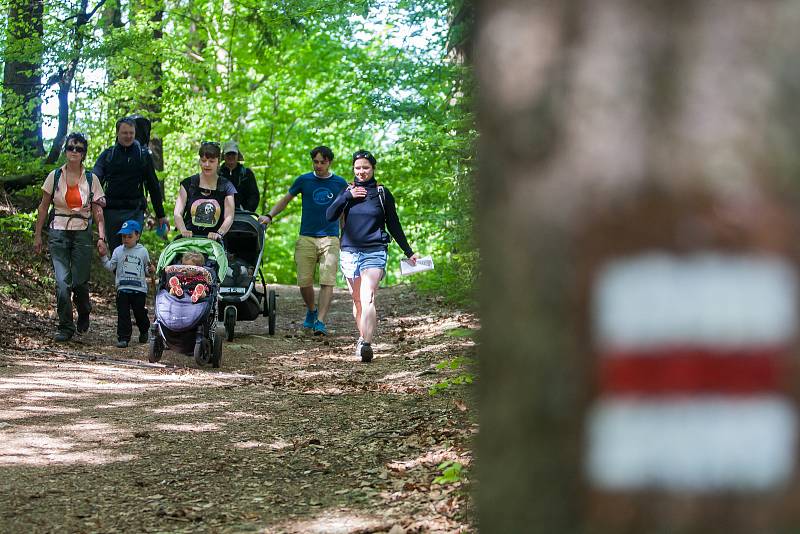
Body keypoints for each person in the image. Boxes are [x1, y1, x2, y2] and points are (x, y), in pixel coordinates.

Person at [326, 150, 419, 362]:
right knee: (357, 300)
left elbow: (394, 224)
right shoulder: (347, 191)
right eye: (358, 167)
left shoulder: (382, 193)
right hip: (349, 251)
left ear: (373, 168)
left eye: (366, 167)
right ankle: (361, 338)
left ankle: (367, 344)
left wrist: (409, 251)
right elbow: (329, 216)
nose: (361, 171)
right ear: (353, 169)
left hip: (375, 250)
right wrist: (347, 197)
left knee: (368, 296)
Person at [258, 146, 347, 335]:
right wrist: (270, 215)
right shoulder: (304, 180)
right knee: (304, 282)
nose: (319, 165)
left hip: (330, 237)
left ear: (330, 162)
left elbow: (344, 212)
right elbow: (286, 199)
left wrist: (346, 235)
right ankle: (312, 310)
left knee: (327, 280)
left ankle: (320, 321)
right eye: (316, 161)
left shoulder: (340, 183)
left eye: (323, 162)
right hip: (306, 236)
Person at [33, 132, 107, 342]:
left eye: (79, 148)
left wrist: (101, 238)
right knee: (62, 283)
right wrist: (38, 235)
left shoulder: (92, 179)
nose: (74, 152)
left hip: (82, 232)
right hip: (58, 231)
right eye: (71, 147)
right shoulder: (54, 176)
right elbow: (43, 207)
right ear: (65, 150)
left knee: (79, 283)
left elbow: (98, 212)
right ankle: (65, 326)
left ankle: (84, 309)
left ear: (84, 153)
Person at [92, 116, 170, 251]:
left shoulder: (143, 155)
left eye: (131, 133)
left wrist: (161, 215)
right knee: (116, 252)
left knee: (131, 250)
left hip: (134, 210)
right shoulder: (108, 155)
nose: (128, 136)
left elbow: (153, 185)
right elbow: (95, 178)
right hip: (111, 212)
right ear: (117, 133)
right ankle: (118, 273)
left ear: (135, 133)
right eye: (124, 133)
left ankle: (131, 271)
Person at [97, 220, 152, 348]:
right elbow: (111, 266)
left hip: (139, 290)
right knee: (123, 314)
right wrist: (103, 257)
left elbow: (146, 270)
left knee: (139, 313)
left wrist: (150, 270)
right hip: (122, 288)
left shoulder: (142, 252)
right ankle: (123, 338)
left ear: (137, 236)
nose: (126, 239)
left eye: (129, 236)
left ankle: (144, 329)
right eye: (123, 236)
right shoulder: (118, 251)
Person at [174, 142, 236, 241]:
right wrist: (183, 230)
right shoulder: (188, 184)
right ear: (199, 161)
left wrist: (219, 233)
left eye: (211, 161)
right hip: (189, 239)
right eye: (203, 160)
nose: (207, 164)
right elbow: (177, 213)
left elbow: (229, 216)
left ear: (218, 162)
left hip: (214, 241)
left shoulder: (226, 186)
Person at [219, 140, 260, 212]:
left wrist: (247, 210)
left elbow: (254, 195)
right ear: (224, 156)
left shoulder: (247, 173)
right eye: (228, 154)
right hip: (220, 214)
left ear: (238, 155)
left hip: (243, 214)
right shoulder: (217, 174)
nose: (231, 156)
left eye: (233, 154)